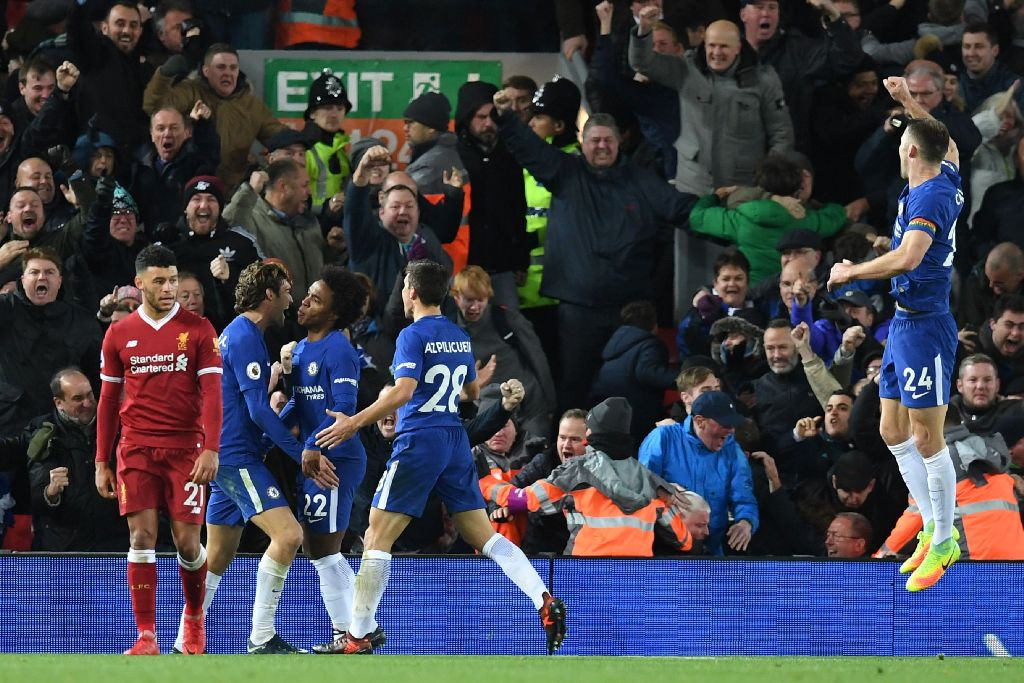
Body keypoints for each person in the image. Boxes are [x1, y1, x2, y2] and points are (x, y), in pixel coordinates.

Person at [313, 259, 567, 655]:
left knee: (377, 533)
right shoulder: (458, 337)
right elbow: (470, 395)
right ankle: (542, 599)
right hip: (454, 440)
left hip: (420, 439)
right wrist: (467, 393)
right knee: (484, 537)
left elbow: (402, 391)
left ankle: (358, 635)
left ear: (411, 291)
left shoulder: (411, 335)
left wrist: (353, 423)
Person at [828, 75, 964, 592]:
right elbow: (944, 141)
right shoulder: (940, 172)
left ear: (908, 148)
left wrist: (851, 271)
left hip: (926, 327)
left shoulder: (931, 196)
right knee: (892, 430)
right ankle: (931, 526)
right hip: (905, 323)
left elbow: (908, 256)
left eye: (904, 131)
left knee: (928, 438)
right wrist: (907, 100)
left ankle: (945, 538)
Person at [171, 260, 336, 655]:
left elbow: (251, 405)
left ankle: (182, 643)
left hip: (226, 453)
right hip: (235, 456)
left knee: (218, 555)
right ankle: (261, 636)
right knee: (289, 534)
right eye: (286, 290)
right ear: (268, 294)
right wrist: (302, 455)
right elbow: (259, 411)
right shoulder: (244, 336)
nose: (291, 299)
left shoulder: (241, 336)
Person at [94, 245, 223, 655]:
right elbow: (108, 401)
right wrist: (101, 460)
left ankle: (194, 618)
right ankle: (146, 635)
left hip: (186, 449)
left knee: (187, 543)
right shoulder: (118, 334)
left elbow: (213, 395)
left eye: (172, 280)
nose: (169, 289)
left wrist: (211, 448)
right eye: (160, 282)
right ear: (140, 284)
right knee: (142, 535)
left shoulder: (199, 329)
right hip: (135, 449)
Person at [278, 265, 372, 654]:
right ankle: (356, 632)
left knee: (324, 550)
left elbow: (345, 411)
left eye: (315, 299)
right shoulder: (300, 349)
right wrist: (273, 434)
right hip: (314, 458)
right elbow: (300, 403)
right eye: (307, 294)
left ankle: (355, 633)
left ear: (333, 314)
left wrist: (314, 445)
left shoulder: (339, 349)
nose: (305, 301)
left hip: (336, 459)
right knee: (317, 550)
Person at [638, 391, 759, 555]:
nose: (731, 430)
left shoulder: (732, 450)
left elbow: (744, 496)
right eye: (725, 423)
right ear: (700, 421)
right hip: (664, 551)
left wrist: (746, 522)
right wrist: (660, 490)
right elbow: (640, 488)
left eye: (732, 424)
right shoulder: (663, 439)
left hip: (711, 551)